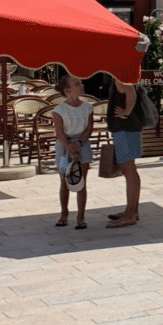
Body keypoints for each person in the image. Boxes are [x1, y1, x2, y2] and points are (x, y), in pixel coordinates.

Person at [52, 75, 94, 229]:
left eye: (81, 82)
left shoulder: (88, 108)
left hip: (82, 144)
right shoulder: (59, 111)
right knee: (64, 180)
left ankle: (81, 216)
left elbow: (89, 128)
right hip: (64, 146)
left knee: (81, 181)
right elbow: (59, 133)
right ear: (67, 90)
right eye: (77, 83)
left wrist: (80, 144)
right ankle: (64, 213)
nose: (81, 85)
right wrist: (70, 149)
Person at [105, 80, 144, 228]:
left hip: (125, 129)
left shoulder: (120, 75)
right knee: (129, 169)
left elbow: (131, 93)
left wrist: (126, 112)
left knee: (128, 169)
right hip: (125, 129)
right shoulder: (120, 74)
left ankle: (130, 214)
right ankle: (132, 210)